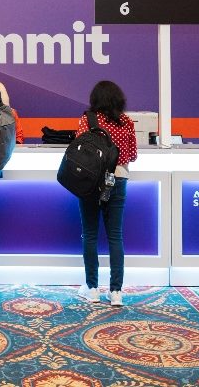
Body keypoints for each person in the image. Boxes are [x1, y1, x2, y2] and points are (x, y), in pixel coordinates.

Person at [74, 80, 138, 307]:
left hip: (91, 181)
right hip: (118, 178)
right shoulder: (127, 122)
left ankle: (92, 288)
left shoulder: (87, 120)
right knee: (115, 236)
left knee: (90, 235)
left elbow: (78, 149)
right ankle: (116, 292)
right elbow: (132, 155)